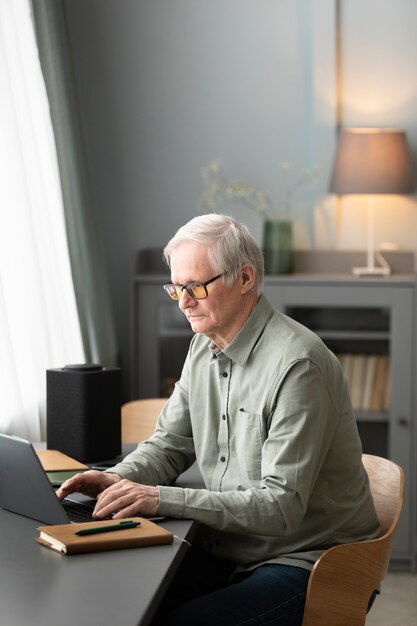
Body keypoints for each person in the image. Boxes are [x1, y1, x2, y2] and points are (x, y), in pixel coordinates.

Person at [57, 213, 380, 626]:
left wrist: (158, 497)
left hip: (312, 561)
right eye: (177, 289)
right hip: (233, 547)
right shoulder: (201, 347)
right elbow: (169, 444)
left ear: (245, 278)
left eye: (196, 287)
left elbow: (281, 509)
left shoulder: (299, 365)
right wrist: (119, 479)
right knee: (117, 597)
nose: (185, 302)